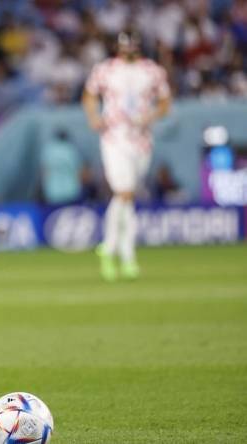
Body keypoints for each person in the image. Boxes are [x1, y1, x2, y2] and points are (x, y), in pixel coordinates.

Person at [82, 31, 172, 281]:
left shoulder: (153, 71)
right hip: (114, 136)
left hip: (141, 139)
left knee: (128, 198)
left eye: (132, 47)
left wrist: (150, 116)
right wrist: (93, 117)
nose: (128, 51)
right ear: (118, 48)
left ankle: (122, 256)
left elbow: (165, 102)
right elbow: (89, 95)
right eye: (124, 47)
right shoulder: (105, 70)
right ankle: (113, 248)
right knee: (125, 192)